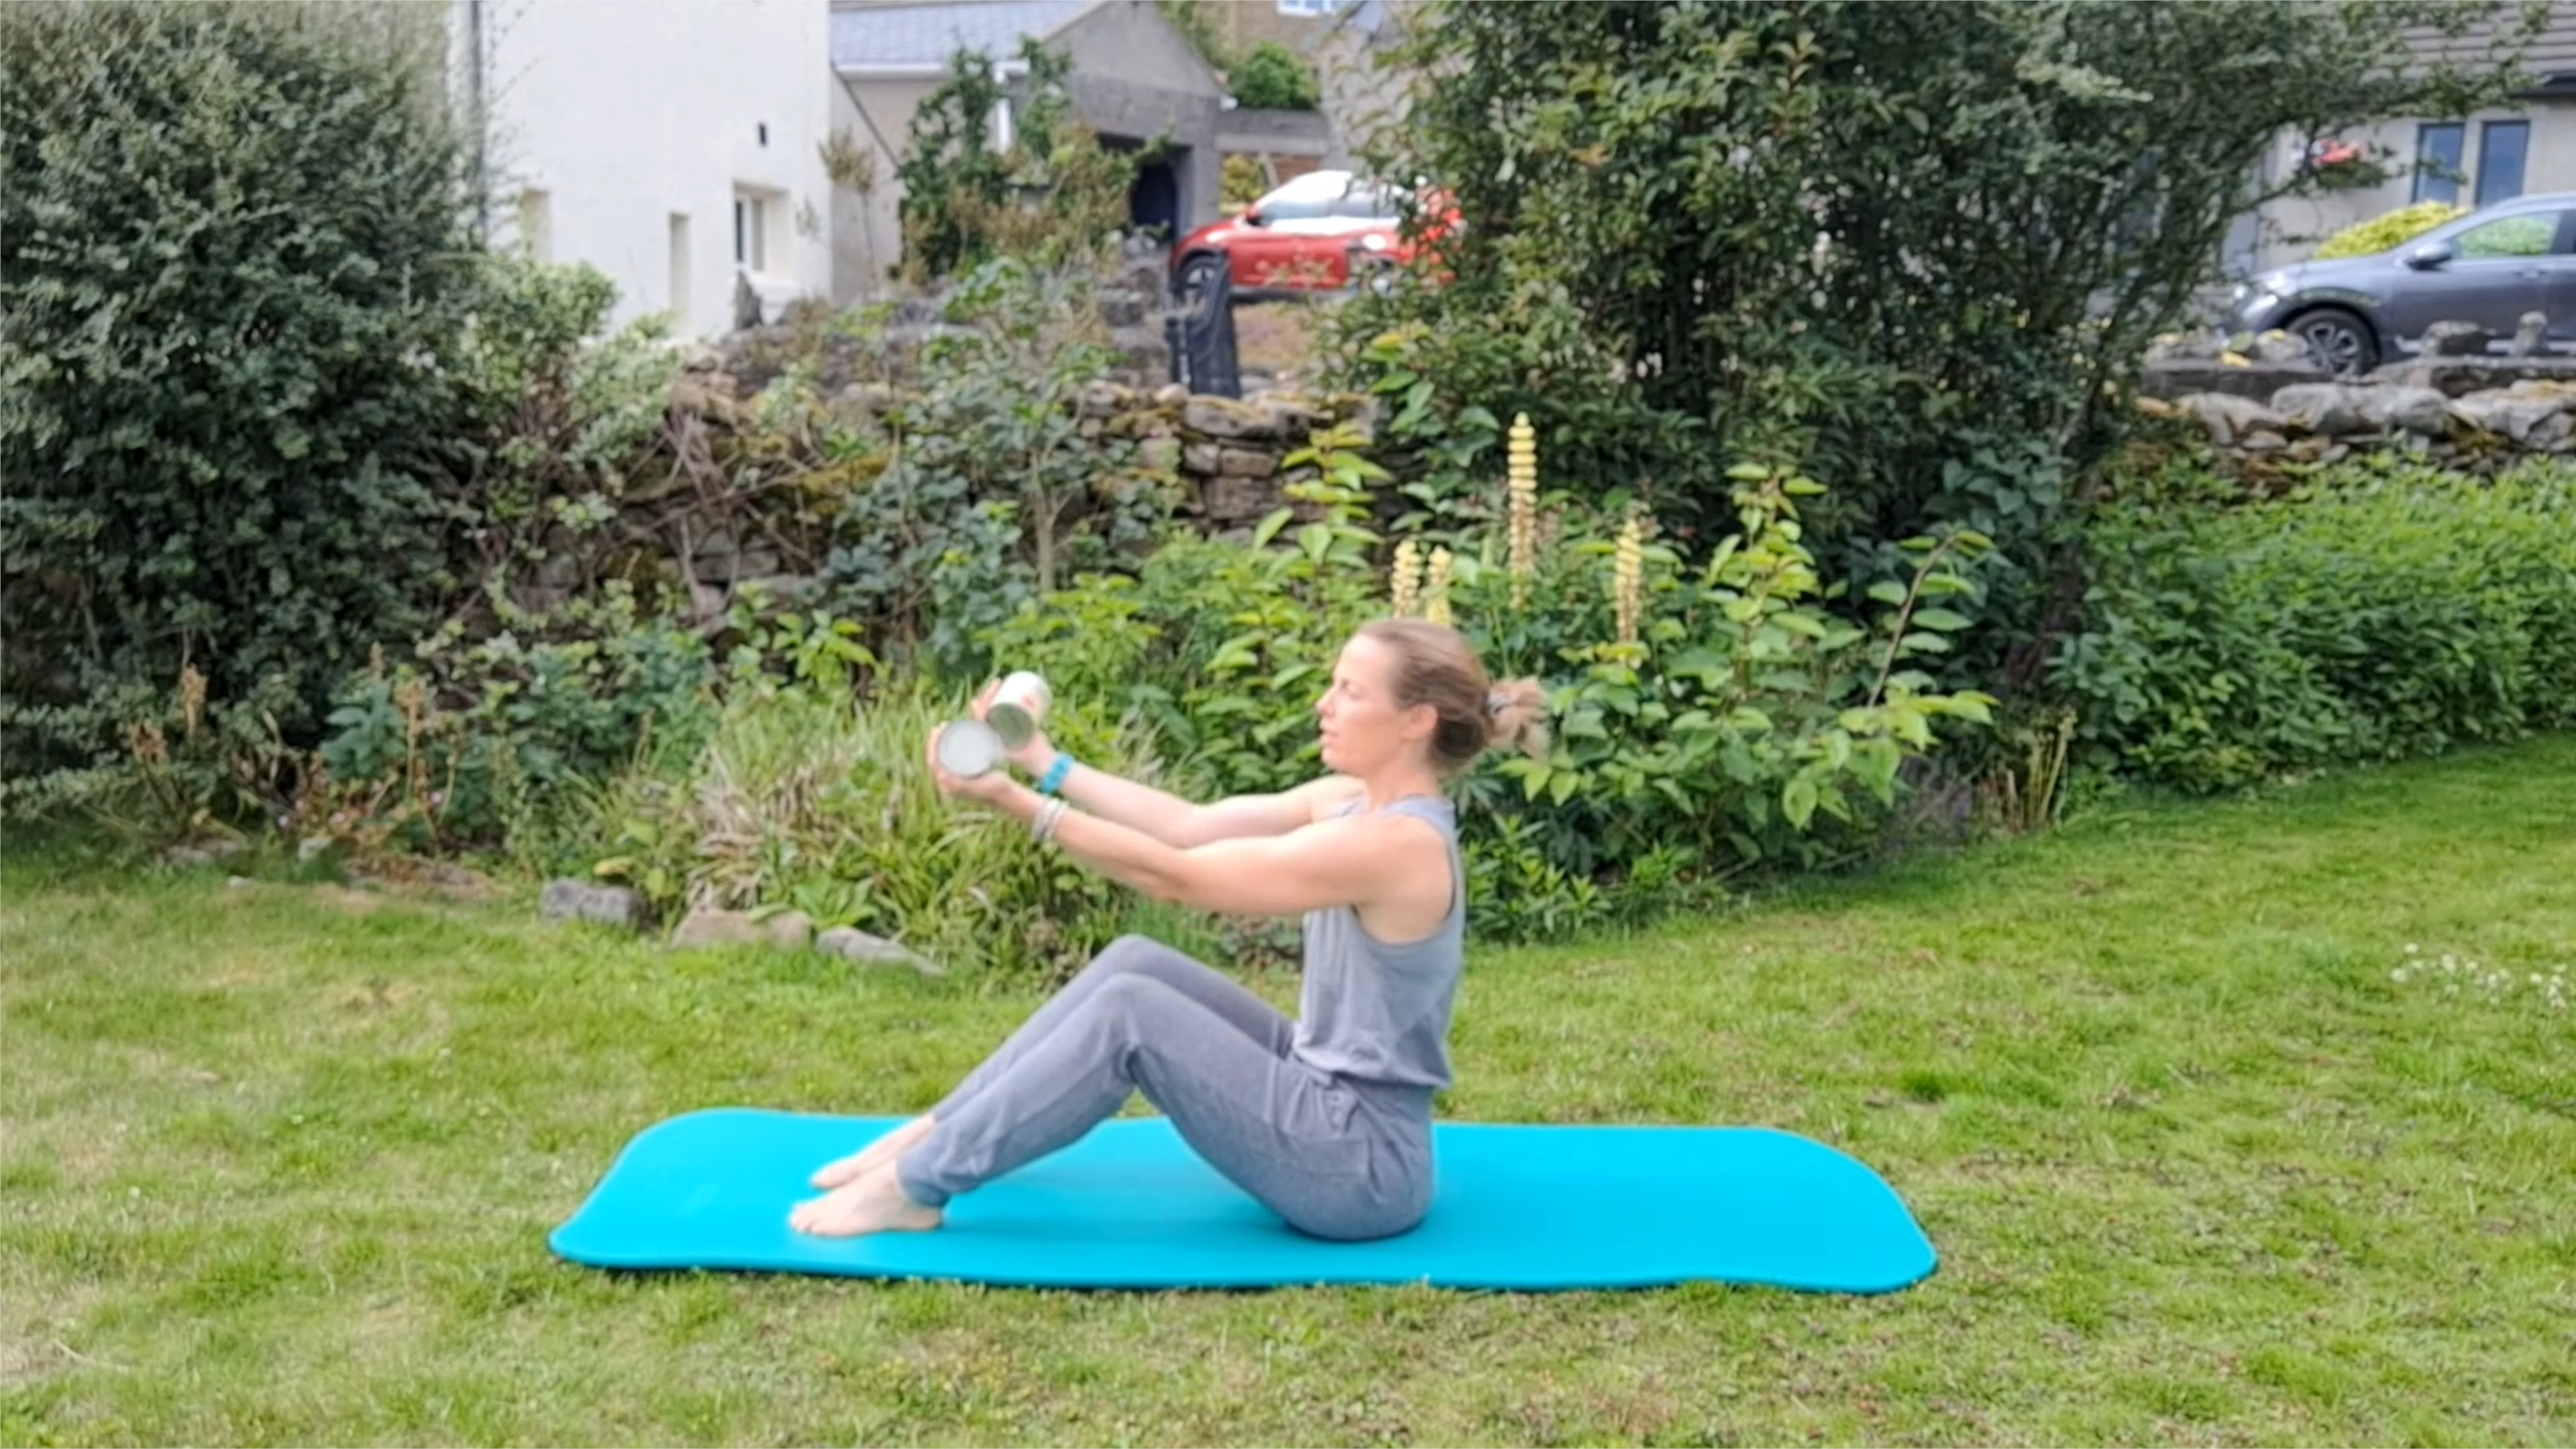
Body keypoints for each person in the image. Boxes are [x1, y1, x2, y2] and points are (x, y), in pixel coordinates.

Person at [787, 618, 1548, 1240]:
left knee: (1134, 1016)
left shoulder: (1398, 845)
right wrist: (1045, 762)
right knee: (1137, 966)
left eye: (1349, 692)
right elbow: (1191, 827)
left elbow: (1179, 878)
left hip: (1360, 1163)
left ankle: (917, 1187)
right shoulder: (1350, 798)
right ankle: (933, 1131)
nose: (1324, 704)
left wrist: (1016, 806)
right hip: (1324, 1090)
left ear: (1417, 720)